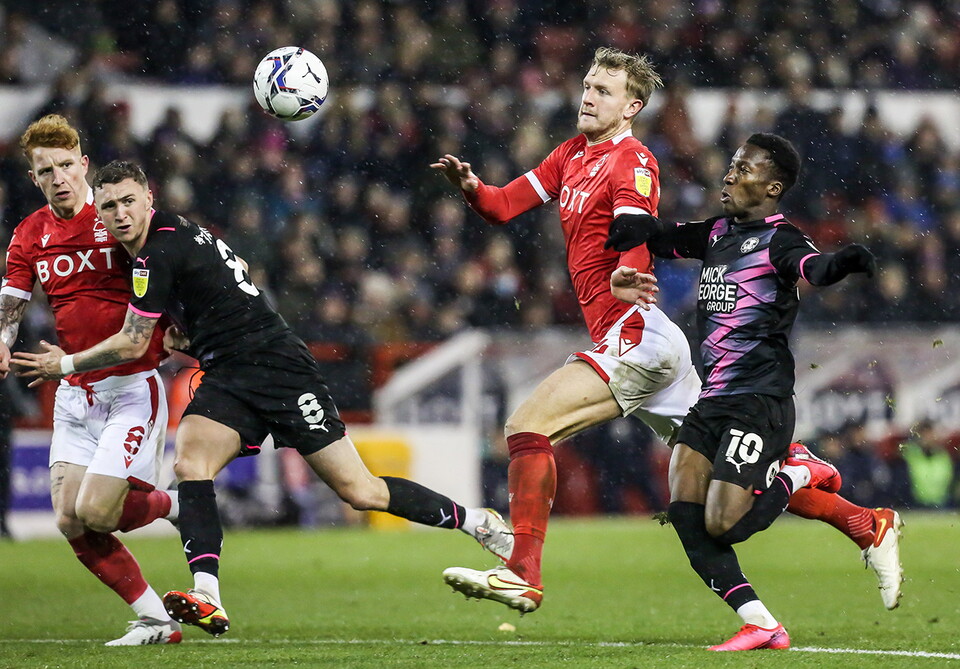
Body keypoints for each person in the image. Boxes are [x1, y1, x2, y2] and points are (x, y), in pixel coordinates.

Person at [432, 47, 902, 617]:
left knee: (527, 427)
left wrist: (630, 270)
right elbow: (505, 206)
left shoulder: (633, 160)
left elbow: (636, 218)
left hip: (636, 336)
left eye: (603, 91)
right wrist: (471, 187)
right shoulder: (569, 156)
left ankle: (522, 573)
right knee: (720, 482)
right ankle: (865, 523)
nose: (587, 96)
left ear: (632, 106)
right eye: (587, 85)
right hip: (653, 350)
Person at [13, 160, 514, 638]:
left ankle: (477, 522)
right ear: (97, 213)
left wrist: (64, 365)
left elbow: (130, 340)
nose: (119, 214)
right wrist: (190, 327)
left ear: (149, 199)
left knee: (360, 492)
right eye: (108, 208)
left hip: (279, 370)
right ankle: (206, 591)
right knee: (191, 464)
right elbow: (238, 268)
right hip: (228, 374)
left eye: (127, 202)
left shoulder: (155, 253)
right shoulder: (172, 234)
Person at [606, 133, 879, 650]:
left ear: (772, 186)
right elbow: (666, 238)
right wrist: (636, 227)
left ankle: (798, 474)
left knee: (724, 524)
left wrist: (845, 262)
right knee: (686, 512)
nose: (729, 175)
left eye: (744, 169)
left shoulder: (782, 240)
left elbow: (813, 269)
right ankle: (761, 623)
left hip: (760, 400)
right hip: (713, 399)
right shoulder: (716, 233)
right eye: (731, 165)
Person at [0, 115, 182, 645]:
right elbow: (12, 301)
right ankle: (157, 620)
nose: (58, 178)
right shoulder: (30, 233)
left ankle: (176, 504)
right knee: (70, 519)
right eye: (45, 170)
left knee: (99, 511)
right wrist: (3, 343)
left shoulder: (116, 220)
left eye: (65, 166)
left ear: (83, 165)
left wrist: (181, 329)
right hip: (74, 394)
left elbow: (170, 273)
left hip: (129, 386)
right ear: (34, 178)